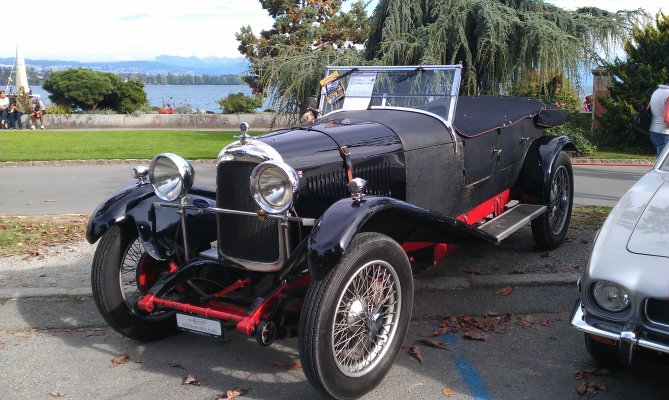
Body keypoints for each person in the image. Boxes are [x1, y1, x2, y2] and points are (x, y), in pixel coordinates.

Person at [649, 83, 669, 156]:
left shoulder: (657, 91)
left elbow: (649, 108)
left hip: (654, 131)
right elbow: (667, 119)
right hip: (665, 134)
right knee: (664, 165)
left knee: (661, 162)